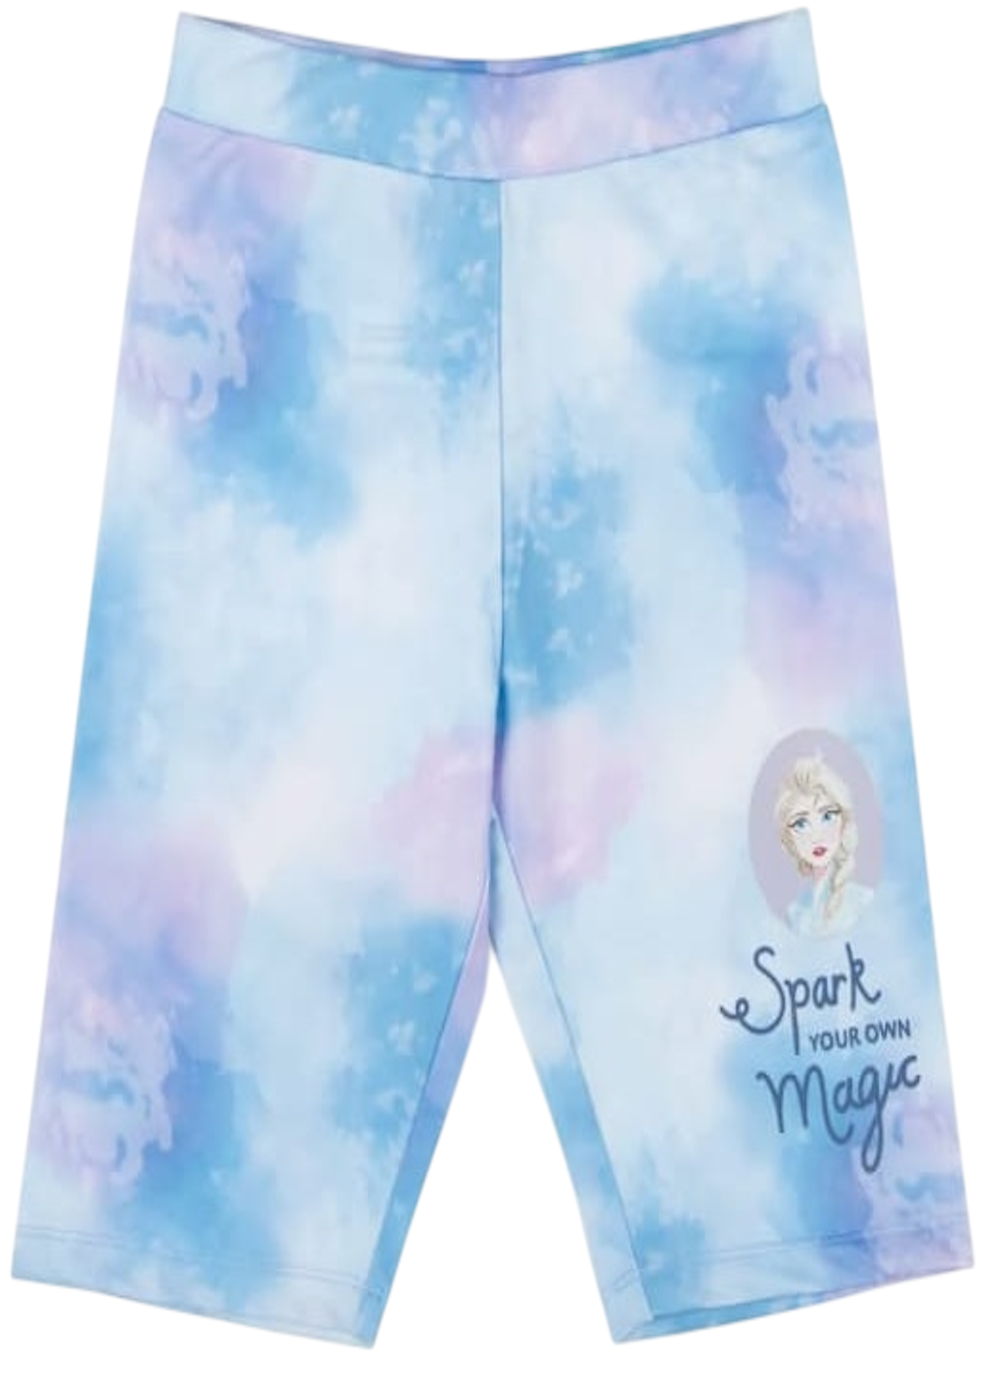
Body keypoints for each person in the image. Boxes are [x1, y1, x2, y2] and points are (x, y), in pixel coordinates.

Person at [775, 754, 874, 937]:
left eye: (827, 816)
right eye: (801, 824)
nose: (817, 836)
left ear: (843, 820)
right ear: (789, 838)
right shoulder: (797, 913)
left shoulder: (862, 901)